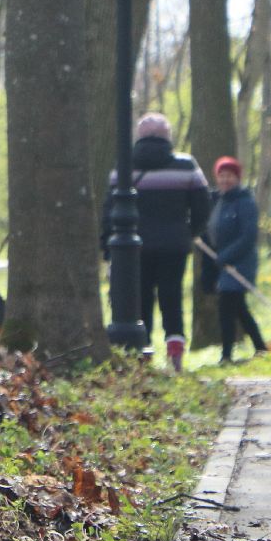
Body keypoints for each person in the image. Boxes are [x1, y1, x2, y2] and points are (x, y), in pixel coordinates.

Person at [102, 112, 211, 372]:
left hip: (134, 247)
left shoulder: (124, 168)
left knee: (140, 298)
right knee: (172, 296)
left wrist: (107, 246)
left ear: (139, 136)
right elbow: (203, 207)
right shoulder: (186, 166)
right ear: (168, 136)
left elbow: (109, 209)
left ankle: (144, 352)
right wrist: (188, 232)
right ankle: (175, 348)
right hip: (174, 245)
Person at [204, 156, 265, 365]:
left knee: (227, 307)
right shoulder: (218, 201)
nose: (225, 180)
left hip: (240, 263)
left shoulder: (245, 202)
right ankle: (261, 348)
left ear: (237, 178)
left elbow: (248, 237)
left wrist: (227, 256)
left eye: (229, 176)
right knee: (239, 308)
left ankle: (227, 355)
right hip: (223, 263)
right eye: (221, 176)